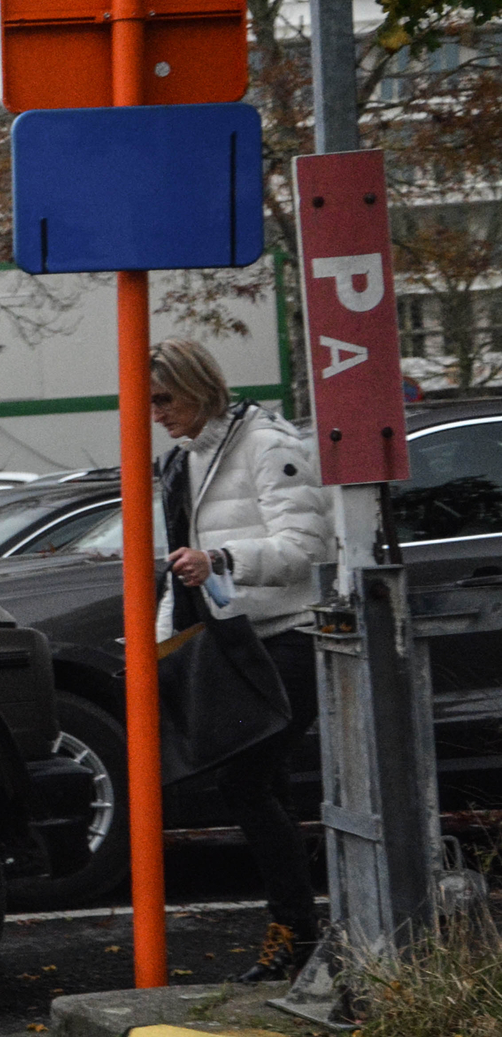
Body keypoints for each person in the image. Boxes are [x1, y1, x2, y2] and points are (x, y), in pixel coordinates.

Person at [149, 338, 332, 981]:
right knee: (261, 786)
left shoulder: (265, 442)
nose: (157, 412)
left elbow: (306, 544)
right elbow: (178, 570)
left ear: (198, 386)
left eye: (164, 398)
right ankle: (298, 935)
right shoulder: (182, 460)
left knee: (245, 782)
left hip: (286, 636)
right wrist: (162, 645)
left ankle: (295, 932)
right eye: (149, 402)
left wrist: (223, 559)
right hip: (235, 643)